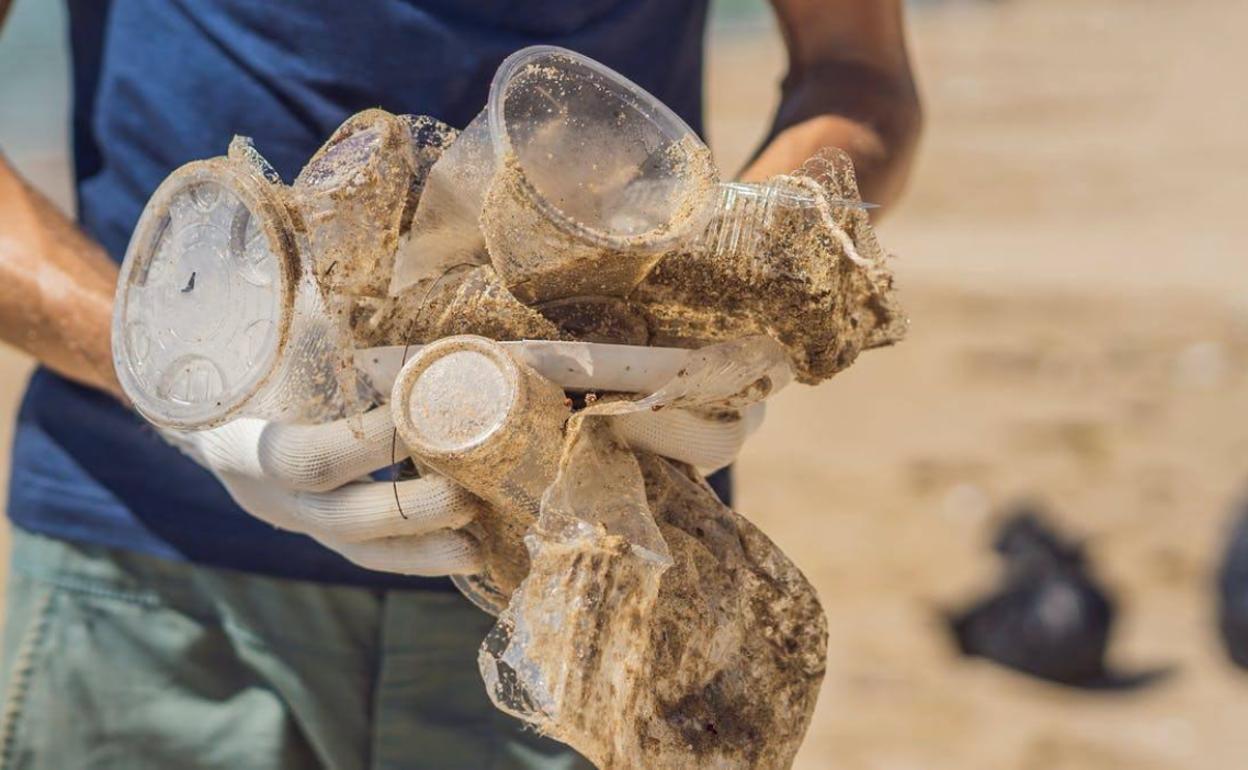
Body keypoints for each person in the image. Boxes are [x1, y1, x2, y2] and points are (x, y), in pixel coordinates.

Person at [0, 0, 921, 767]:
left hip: (594, 574)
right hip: (150, 581)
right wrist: (189, 396)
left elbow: (857, 68)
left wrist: (731, 277)